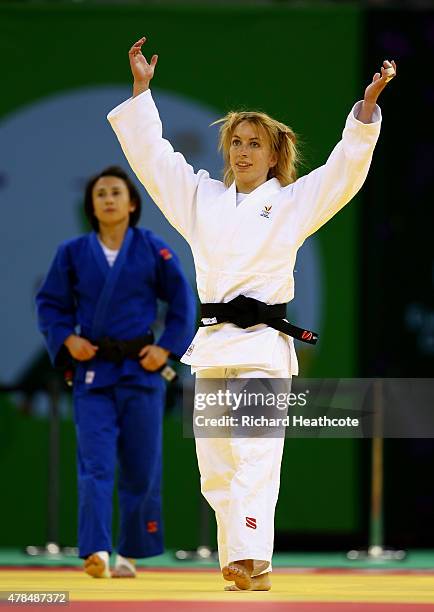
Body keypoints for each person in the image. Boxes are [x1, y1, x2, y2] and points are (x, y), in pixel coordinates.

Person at [107, 37, 396, 591]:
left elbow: (343, 173)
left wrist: (365, 111)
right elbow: (155, 162)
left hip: (264, 343)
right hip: (214, 343)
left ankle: (247, 557)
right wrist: (142, 94)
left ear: (273, 154)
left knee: (255, 454)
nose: (242, 152)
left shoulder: (291, 203)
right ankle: (249, 564)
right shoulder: (200, 200)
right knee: (216, 468)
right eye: (236, 142)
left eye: (254, 144)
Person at [36, 165, 196, 578]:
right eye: (100, 193)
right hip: (93, 374)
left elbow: (182, 304)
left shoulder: (153, 248)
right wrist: (66, 339)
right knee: (95, 464)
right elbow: (51, 305)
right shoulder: (72, 252)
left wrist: (166, 349)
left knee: (141, 465)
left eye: (115, 192)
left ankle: (132, 551)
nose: (108, 199)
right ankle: (96, 550)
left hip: (142, 371)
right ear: (91, 205)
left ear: (132, 203)